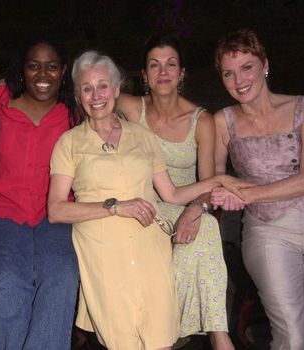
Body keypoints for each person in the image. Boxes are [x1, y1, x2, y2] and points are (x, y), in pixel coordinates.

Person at [48, 50, 245, 350]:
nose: (96, 95)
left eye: (103, 86)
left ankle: (218, 330)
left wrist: (218, 180)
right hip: (104, 250)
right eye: (87, 88)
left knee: (160, 341)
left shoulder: (141, 136)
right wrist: (115, 207)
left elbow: (172, 194)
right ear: (78, 95)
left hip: (148, 247)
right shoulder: (70, 143)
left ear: (116, 90)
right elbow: (56, 210)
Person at [212, 28, 304, 349]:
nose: (239, 80)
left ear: (264, 64)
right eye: (228, 73)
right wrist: (213, 196)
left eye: (246, 67)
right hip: (267, 232)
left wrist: (245, 193)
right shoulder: (222, 122)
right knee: (290, 336)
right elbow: (213, 179)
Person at [116, 32, 233, 349]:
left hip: (183, 205)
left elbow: (208, 186)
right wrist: (2, 87)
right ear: (144, 75)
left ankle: (164, 335)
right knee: (207, 230)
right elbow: (88, 88)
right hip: (141, 209)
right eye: (154, 65)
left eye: (171, 64)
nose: (163, 71)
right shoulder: (130, 108)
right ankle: (218, 338)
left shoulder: (201, 121)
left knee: (205, 225)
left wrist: (195, 211)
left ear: (182, 74)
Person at [0, 33, 81, 350]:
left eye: (52, 67)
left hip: (56, 215)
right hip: (1, 212)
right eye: (34, 66)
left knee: (62, 277)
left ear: (64, 71)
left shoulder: (75, 113)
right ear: (22, 69)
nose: (43, 75)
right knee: (8, 282)